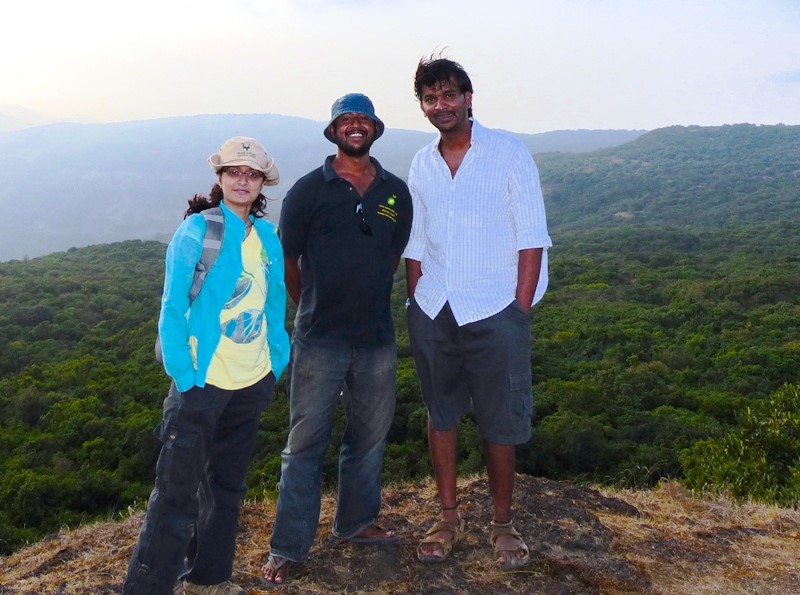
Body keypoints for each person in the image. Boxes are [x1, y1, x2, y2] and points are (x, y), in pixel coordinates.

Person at [122, 136, 290, 595]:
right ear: (219, 178)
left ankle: (209, 579)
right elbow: (171, 306)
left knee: (227, 490)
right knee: (175, 496)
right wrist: (185, 374)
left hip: (253, 379)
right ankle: (148, 588)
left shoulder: (269, 238)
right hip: (203, 381)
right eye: (234, 171)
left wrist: (277, 360)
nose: (242, 179)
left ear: (261, 184)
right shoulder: (198, 230)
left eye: (251, 173)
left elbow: (274, 300)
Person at [403, 56, 552, 570]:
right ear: (422, 106)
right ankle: (448, 517)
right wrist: (416, 299)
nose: (440, 105)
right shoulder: (422, 162)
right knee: (440, 413)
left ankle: (503, 524)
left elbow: (532, 235)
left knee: (499, 418)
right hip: (435, 304)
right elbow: (416, 239)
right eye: (430, 98)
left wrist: (520, 308)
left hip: (495, 305)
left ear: (469, 97)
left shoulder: (508, 153)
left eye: (448, 95)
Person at [260, 93, 412, 587]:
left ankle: (357, 523)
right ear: (333, 131)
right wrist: (312, 304)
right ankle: (288, 547)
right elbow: (288, 260)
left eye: (363, 119)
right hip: (319, 337)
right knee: (304, 444)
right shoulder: (308, 190)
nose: (355, 126)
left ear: (374, 129)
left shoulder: (395, 192)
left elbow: (393, 256)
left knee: (368, 438)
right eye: (346, 120)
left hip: (375, 337)